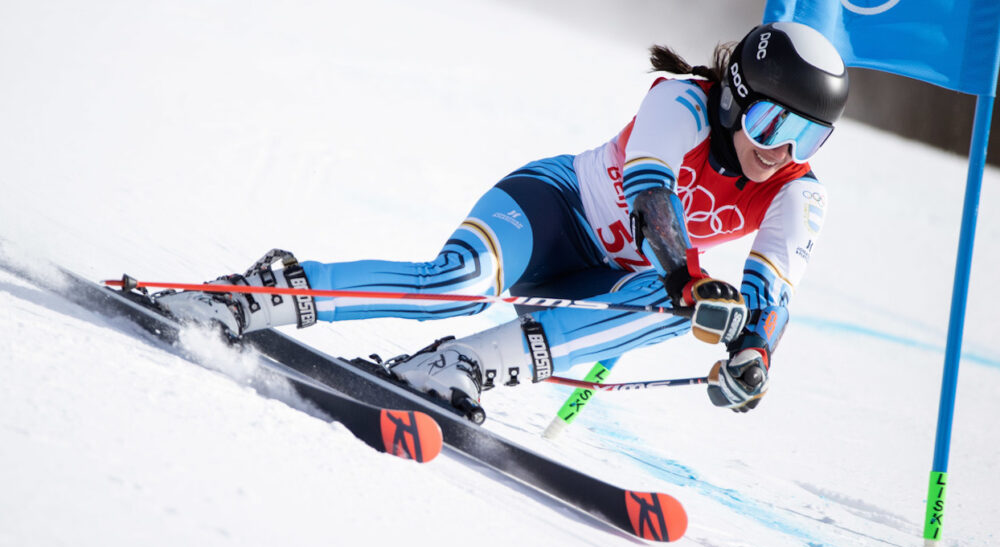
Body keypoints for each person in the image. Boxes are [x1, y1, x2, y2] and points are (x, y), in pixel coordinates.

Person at [157, 22, 849, 416]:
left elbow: (772, 294)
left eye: (808, 137)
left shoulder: (797, 191)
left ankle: (459, 366)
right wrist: (690, 279)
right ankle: (251, 296)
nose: (781, 151)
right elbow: (650, 197)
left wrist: (754, 354)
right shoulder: (682, 103)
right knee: (454, 285)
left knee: (676, 308)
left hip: (612, 275)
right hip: (551, 210)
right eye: (771, 121)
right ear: (734, 99)